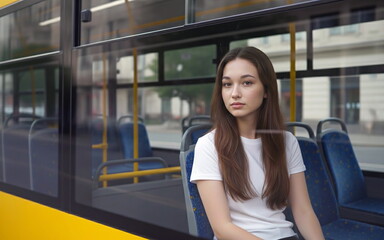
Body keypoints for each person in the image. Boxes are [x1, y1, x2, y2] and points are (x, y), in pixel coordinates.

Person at [190, 46, 324, 240]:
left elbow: (304, 211)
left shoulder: (287, 142)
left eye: (246, 83)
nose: (234, 93)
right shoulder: (209, 145)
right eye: (227, 85)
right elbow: (222, 227)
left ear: (266, 91)